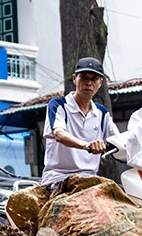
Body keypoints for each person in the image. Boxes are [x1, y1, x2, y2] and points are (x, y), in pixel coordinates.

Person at [39, 57, 120, 186]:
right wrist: (86, 146)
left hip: (90, 180)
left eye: (93, 79)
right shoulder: (59, 105)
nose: (88, 83)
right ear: (74, 79)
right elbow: (59, 134)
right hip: (59, 178)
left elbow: (118, 140)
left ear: (100, 83)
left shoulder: (101, 112)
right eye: (83, 77)